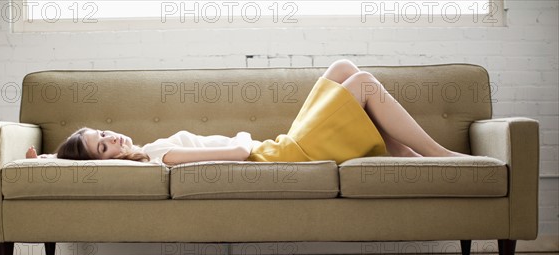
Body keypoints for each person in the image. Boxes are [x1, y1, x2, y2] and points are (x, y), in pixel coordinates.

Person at [25, 59, 468, 166]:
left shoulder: (144, 151)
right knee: (364, 83)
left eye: (105, 132)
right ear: (110, 162)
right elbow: (237, 155)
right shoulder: (158, 157)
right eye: (104, 147)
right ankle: (439, 155)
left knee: (343, 70)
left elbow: (70, 162)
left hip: (279, 147)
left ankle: (408, 163)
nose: (113, 138)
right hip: (278, 156)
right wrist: (242, 141)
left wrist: (42, 159)